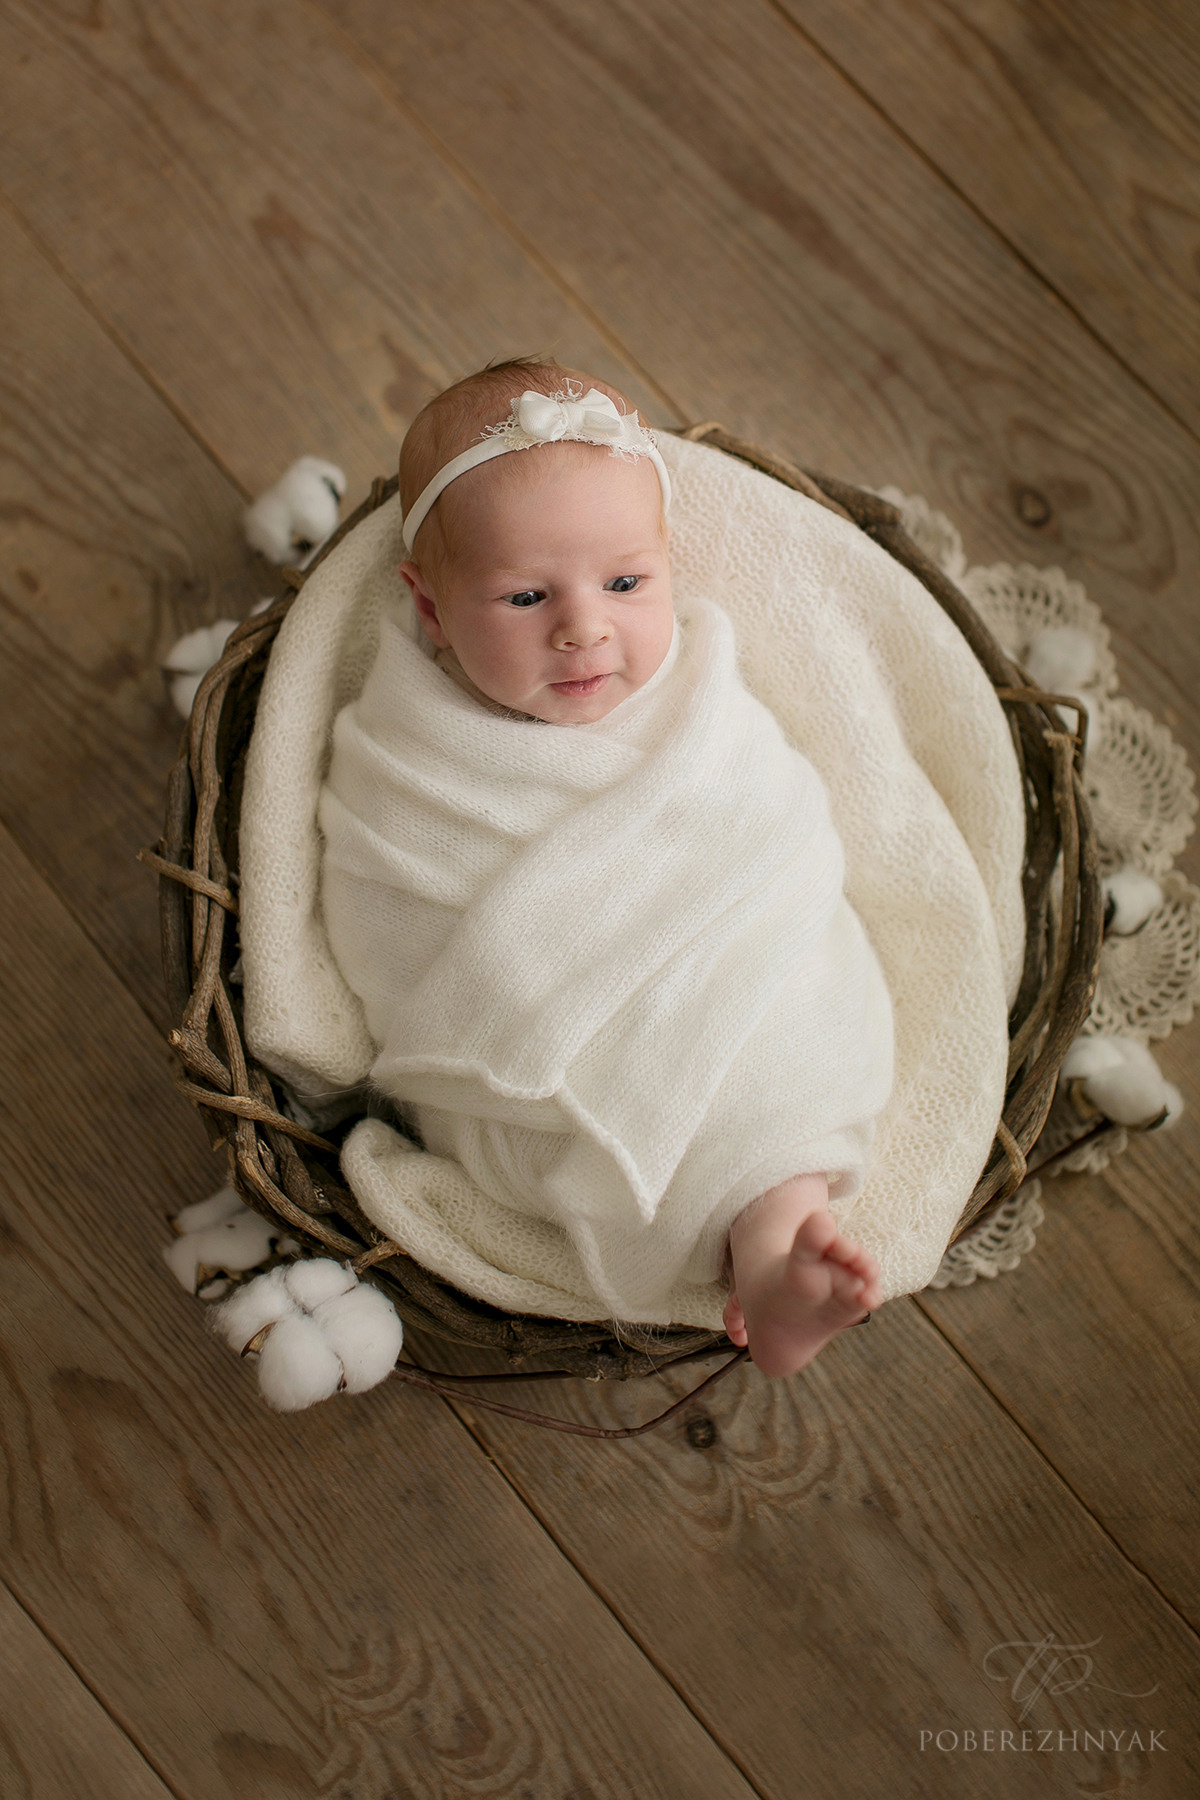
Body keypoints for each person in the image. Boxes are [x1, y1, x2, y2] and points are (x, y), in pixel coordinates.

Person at [315, 358, 895, 1377]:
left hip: (735, 970)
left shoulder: (699, 692)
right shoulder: (405, 753)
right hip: (535, 1055)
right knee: (585, 1130)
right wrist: (530, 987)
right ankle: (767, 1249)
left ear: (668, 566)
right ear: (432, 607)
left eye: (626, 583)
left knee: (792, 1036)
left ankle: (779, 1242)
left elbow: (776, 828)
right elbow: (382, 902)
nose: (584, 627)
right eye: (526, 595)